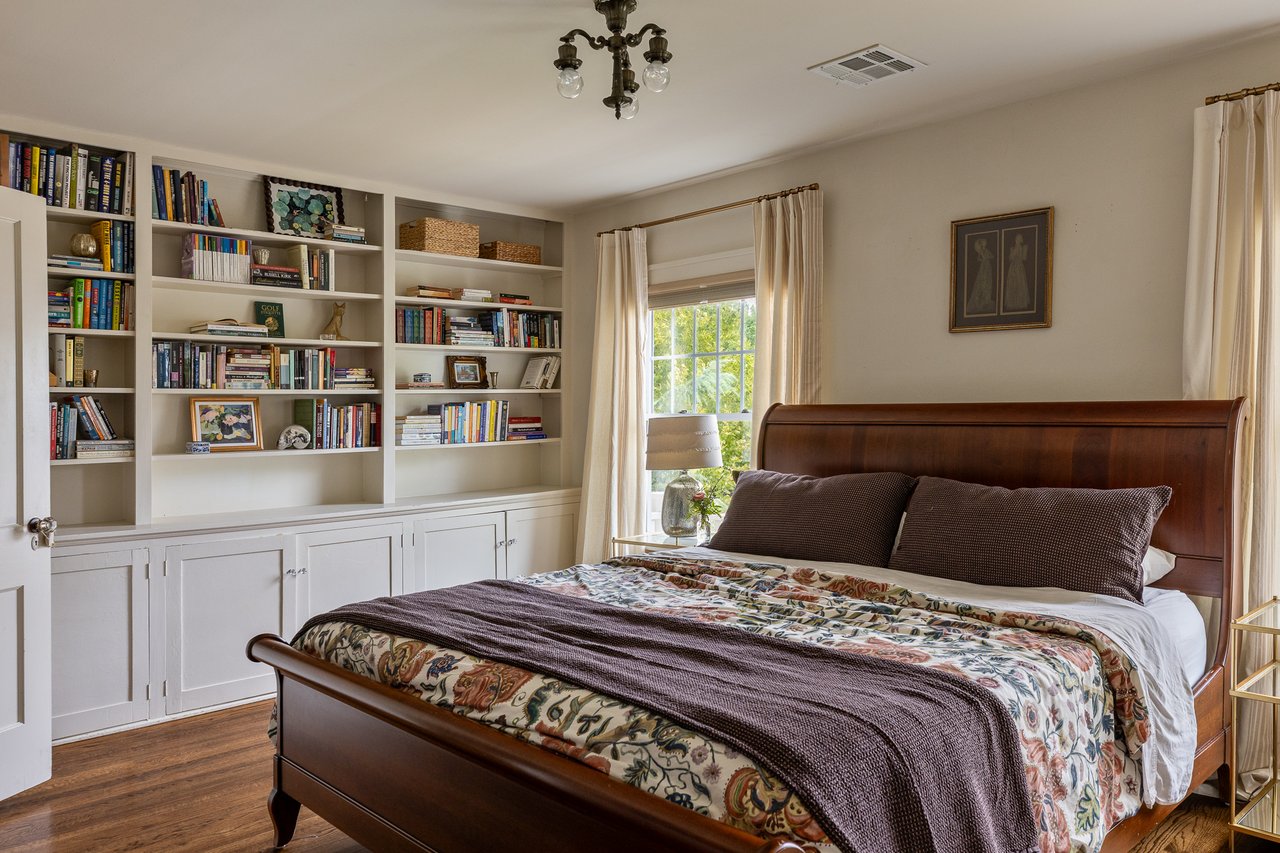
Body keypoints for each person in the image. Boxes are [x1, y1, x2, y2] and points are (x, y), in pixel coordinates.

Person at [965, 238, 996, 315]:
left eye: (985, 243)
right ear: (982, 244)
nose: (985, 244)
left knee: (987, 281)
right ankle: (981, 301)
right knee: (982, 281)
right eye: (984, 243)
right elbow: (979, 258)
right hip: (984, 266)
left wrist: (986, 257)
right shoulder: (982, 251)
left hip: (987, 266)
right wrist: (983, 257)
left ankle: (986, 299)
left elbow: (992, 256)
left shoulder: (986, 250)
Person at [1004, 233, 1031, 311]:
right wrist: (1015, 250)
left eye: (1020, 238)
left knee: (1020, 282)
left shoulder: (1023, 247)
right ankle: (1013, 303)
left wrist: (1023, 249)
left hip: (1019, 266)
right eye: (1019, 238)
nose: (1019, 240)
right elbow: (1010, 258)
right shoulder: (1012, 248)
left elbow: (1024, 258)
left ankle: (1020, 302)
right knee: (1013, 283)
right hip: (1013, 267)